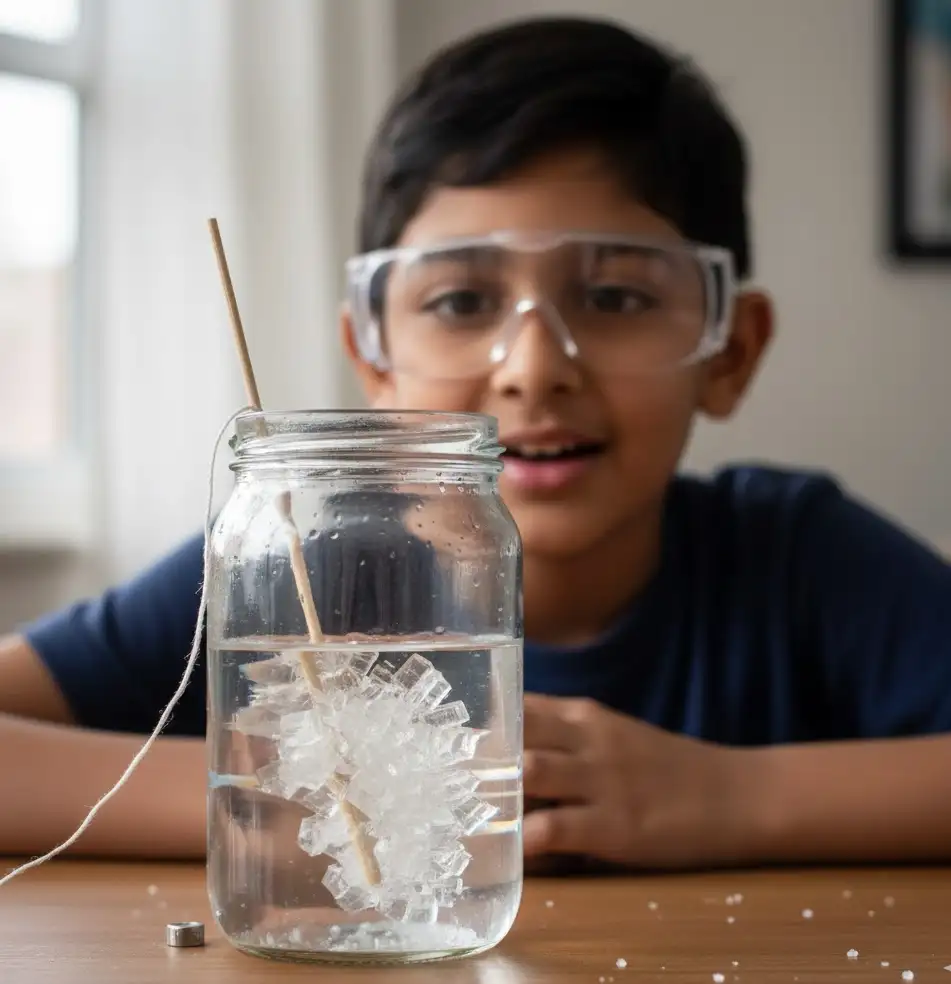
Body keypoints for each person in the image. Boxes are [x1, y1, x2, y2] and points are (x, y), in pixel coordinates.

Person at [2, 16, 950, 870]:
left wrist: (731, 798)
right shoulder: (285, 560)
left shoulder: (799, 559)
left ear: (729, 351)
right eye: (460, 301)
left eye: (613, 296)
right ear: (371, 355)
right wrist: (302, 793)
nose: (533, 369)